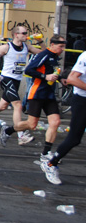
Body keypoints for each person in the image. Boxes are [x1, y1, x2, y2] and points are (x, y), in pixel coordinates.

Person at [0, 35, 66, 162]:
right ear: (52, 44)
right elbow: (29, 70)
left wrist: (60, 79)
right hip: (37, 93)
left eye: (63, 46)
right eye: (60, 46)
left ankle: (46, 153)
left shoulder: (55, 57)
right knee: (31, 124)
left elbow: (52, 73)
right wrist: (45, 76)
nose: (62, 49)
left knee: (55, 122)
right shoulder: (44, 54)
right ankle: (8, 130)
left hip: (49, 95)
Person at [0, 26, 43, 146]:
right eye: (24, 33)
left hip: (17, 80)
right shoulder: (6, 47)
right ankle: (21, 135)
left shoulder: (26, 47)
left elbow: (42, 54)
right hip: (6, 78)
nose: (26, 35)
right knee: (18, 105)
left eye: (26, 33)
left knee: (2, 106)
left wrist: (40, 41)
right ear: (16, 34)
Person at [41, 50, 86, 185]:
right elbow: (72, 79)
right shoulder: (85, 56)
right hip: (82, 101)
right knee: (74, 139)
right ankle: (51, 164)